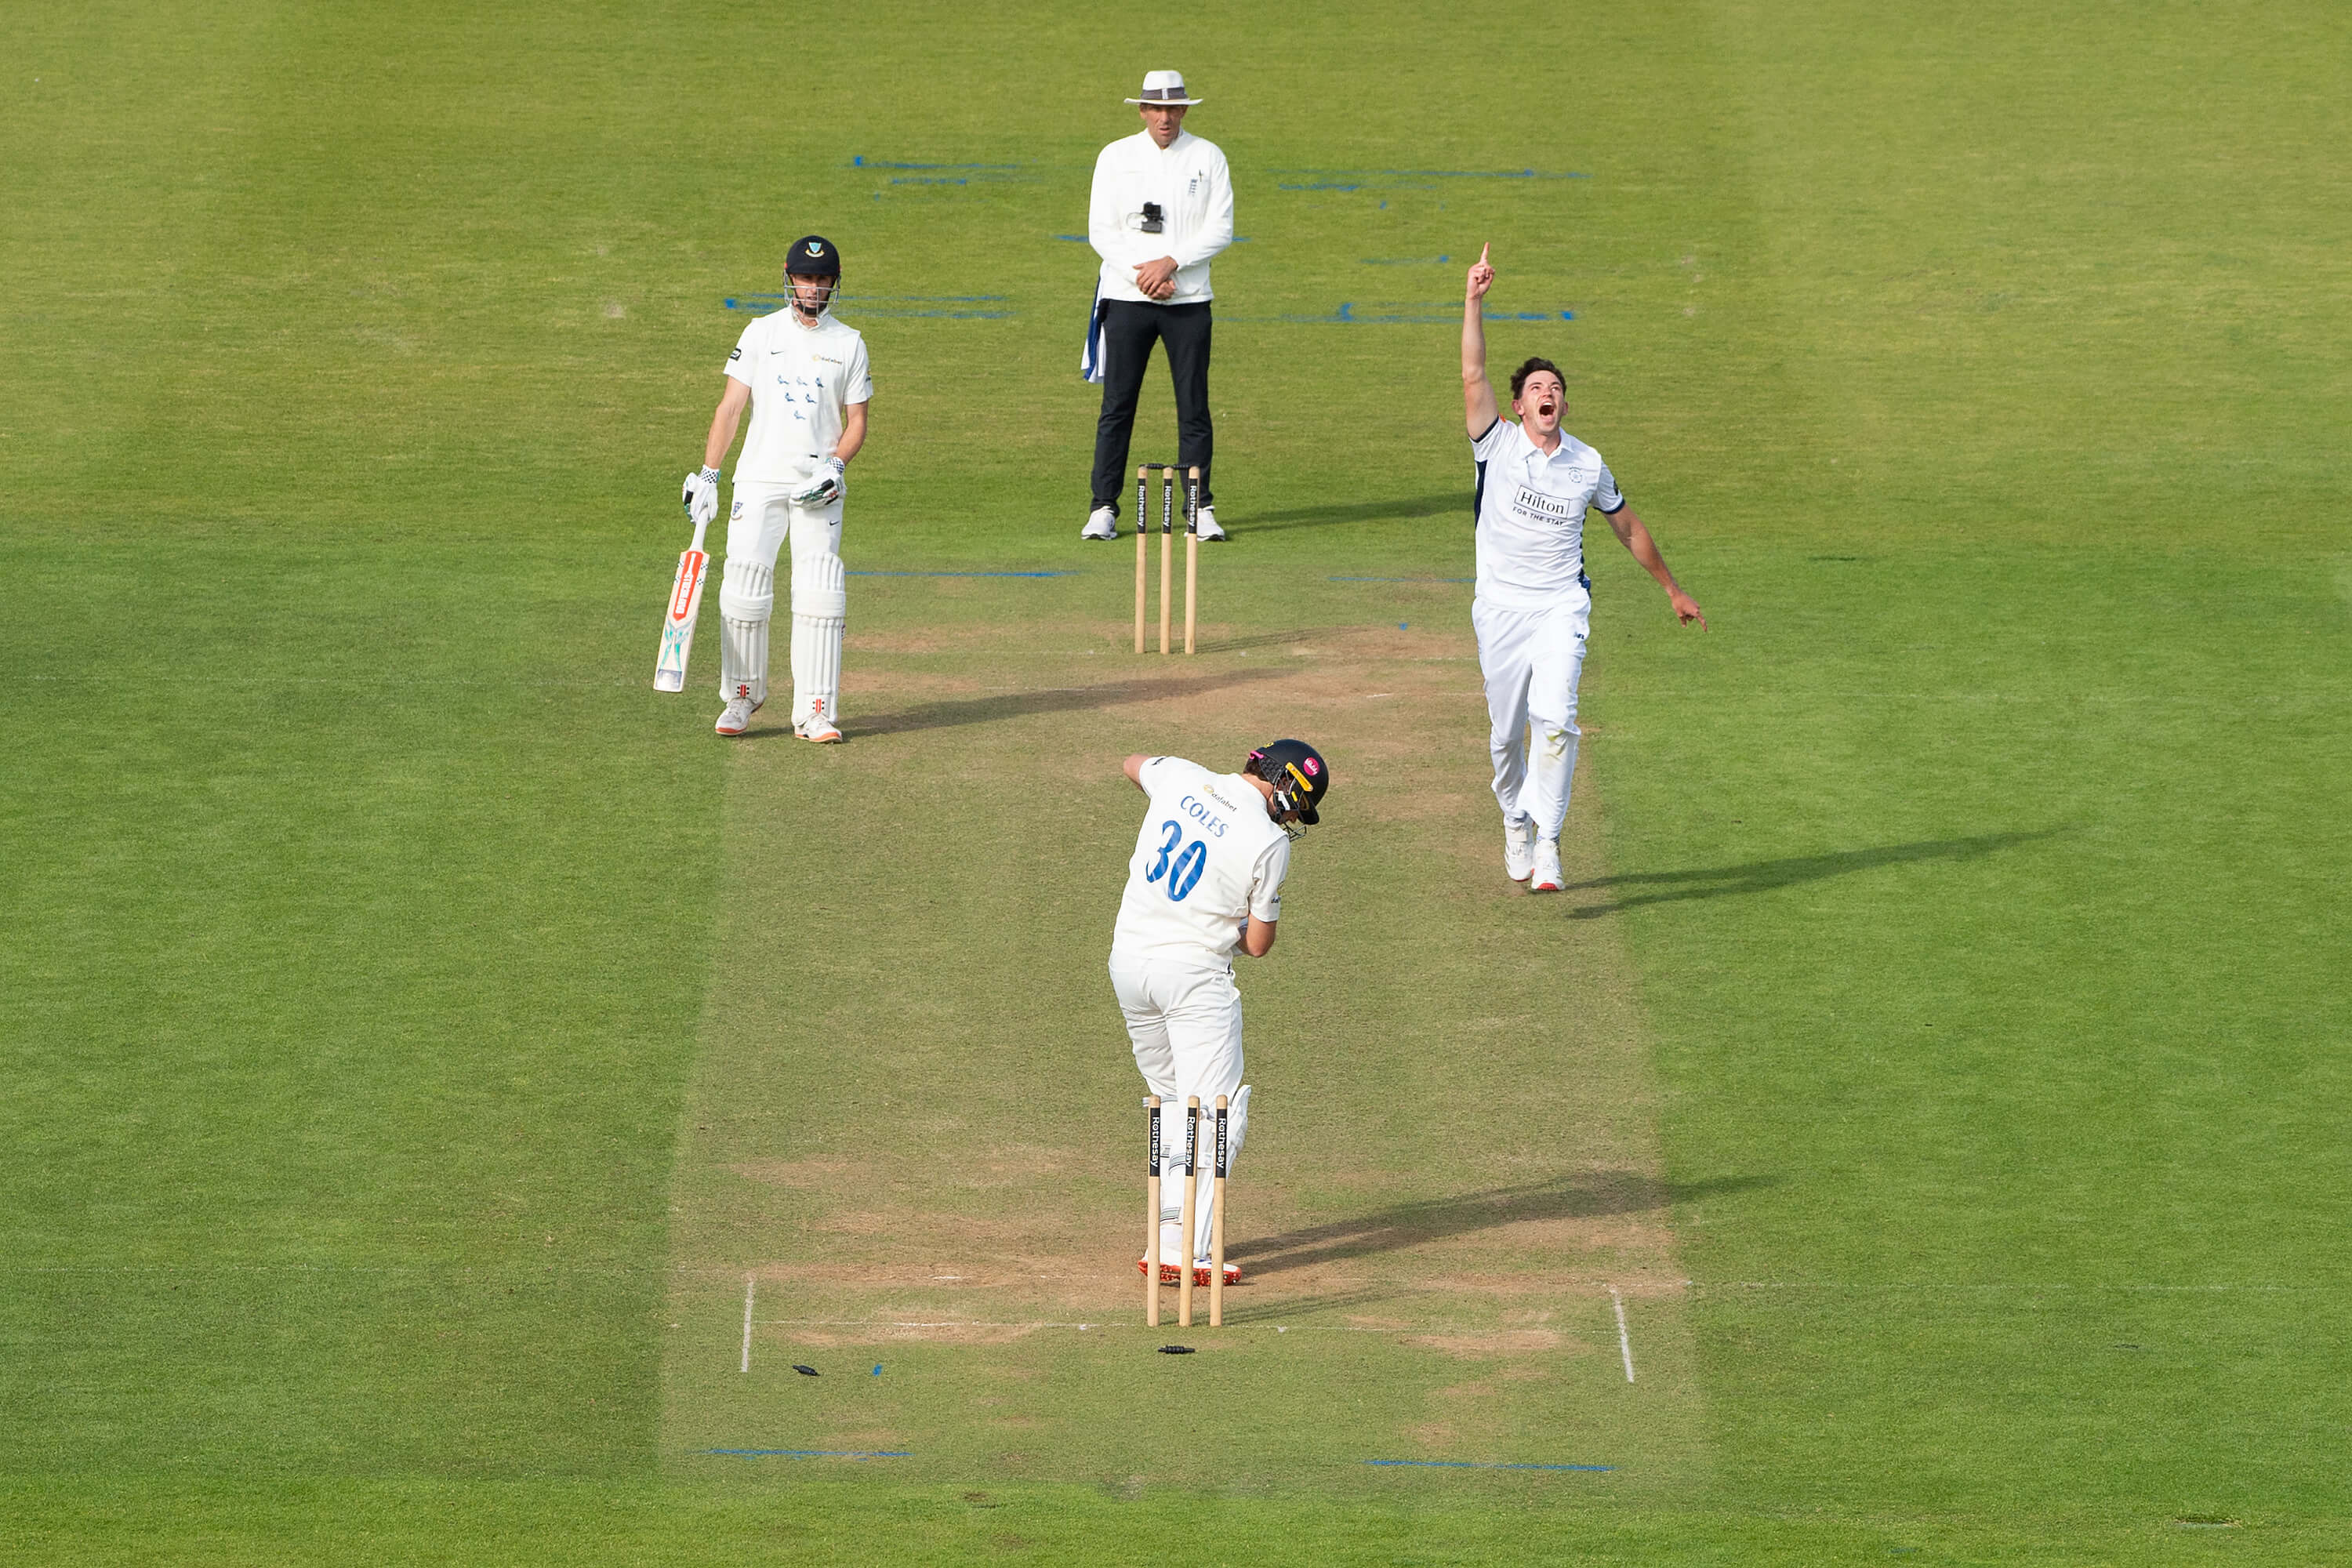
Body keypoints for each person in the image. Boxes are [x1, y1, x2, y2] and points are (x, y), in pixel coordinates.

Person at [1461, 243, 1705, 892]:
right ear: (1518, 406)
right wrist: (1473, 300)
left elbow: (1627, 526)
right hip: (1501, 609)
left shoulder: (1588, 464)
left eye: (1556, 389)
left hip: (1560, 605)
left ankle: (1549, 843)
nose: (1547, 394)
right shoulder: (1498, 444)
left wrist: (1673, 590)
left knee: (1559, 721)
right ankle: (1514, 819)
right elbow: (1472, 374)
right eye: (1536, 388)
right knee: (1505, 738)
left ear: (1565, 408)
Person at [1110, 740, 1330, 1285]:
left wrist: (1183, 802)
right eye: (1298, 807)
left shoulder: (1182, 776)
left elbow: (1132, 764)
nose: (1295, 818)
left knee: (1167, 1102)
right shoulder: (1269, 842)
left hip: (1130, 966)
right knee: (1213, 1114)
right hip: (1192, 983)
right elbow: (1258, 944)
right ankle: (1190, 1249)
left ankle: (1165, 1237)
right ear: (1284, 788)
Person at [683, 235, 872, 740]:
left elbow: (857, 422)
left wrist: (836, 465)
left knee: (820, 594)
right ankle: (741, 698)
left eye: (822, 278)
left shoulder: (848, 343)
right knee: (743, 588)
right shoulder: (760, 332)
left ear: (834, 283)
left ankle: (815, 710)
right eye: (806, 278)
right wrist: (708, 474)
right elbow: (729, 408)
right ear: (789, 277)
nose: (813, 287)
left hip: (818, 483)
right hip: (759, 477)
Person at [1077, 69, 1232, 544]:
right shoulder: (1115, 156)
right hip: (1127, 299)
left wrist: (1171, 264)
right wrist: (1143, 276)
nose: (1165, 118)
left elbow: (1220, 228)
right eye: (1156, 109)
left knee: (1194, 407)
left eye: (1173, 108)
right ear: (1143, 111)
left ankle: (1199, 507)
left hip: (1187, 300)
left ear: (1184, 110)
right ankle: (1103, 507)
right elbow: (1101, 231)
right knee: (1117, 405)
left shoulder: (1208, 157)